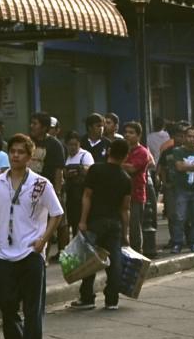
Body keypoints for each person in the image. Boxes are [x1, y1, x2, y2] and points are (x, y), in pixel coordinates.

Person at [0, 135, 62, 339]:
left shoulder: (41, 184)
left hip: (31, 252)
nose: (15, 155)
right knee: (6, 301)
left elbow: (57, 213)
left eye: (21, 152)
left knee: (33, 305)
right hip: (4, 253)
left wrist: (43, 239)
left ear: (29, 157)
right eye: (12, 151)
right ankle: (14, 335)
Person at [70, 137, 133, 311]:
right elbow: (125, 209)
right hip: (114, 224)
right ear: (125, 156)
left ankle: (87, 298)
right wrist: (126, 234)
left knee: (89, 260)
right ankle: (112, 300)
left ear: (109, 152)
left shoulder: (95, 170)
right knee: (114, 263)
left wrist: (82, 221)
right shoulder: (126, 178)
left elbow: (87, 196)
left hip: (94, 222)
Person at [165, 125, 194, 253]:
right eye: (189, 136)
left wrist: (188, 166)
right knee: (179, 218)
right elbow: (179, 167)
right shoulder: (177, 151)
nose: (191, 139)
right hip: (181, 189)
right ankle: (177, 243)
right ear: (184, 137)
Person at [122, 122, 154, 254]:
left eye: (131, 132)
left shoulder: (142, 152)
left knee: (135, 227)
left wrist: (117, 163)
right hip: (121, 194)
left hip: (136, 194)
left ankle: (137, 254)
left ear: (139, 135)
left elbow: (132, 168)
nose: (127, 135)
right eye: (126, 132)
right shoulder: (123, 149)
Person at [60, 132, 93, 245]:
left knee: (79, 222)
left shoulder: (85, 155)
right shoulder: (65, 156)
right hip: (68, 193)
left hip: (80, 193)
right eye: (70, 144)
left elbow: (90, 170)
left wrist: (79, 170)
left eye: (75, 144)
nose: (73, 147)